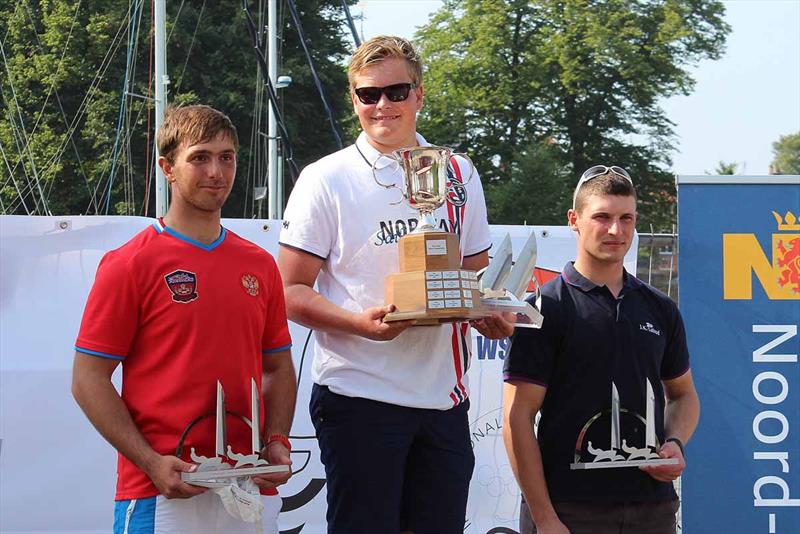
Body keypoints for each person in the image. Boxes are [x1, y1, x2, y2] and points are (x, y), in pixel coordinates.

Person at [277, 36, 513, 534]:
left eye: (397, 91)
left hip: (443, 400)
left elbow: (474, 272)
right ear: (354, 100)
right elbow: (289, 291)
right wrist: (358, 325)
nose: (382, 105)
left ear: (419, 94)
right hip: (359, 395)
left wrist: (486, 312)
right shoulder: (326, 179)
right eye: (368, 95)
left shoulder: (458, 173)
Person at [72, 105, 296, 534]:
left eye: (227, 157)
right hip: (161, 490)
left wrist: (278, 440)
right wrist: (151, 462)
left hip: (248, 485)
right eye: (200, 157)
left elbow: (278, 366)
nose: (216, 171)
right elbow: (88, 379)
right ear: (167, 168)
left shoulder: (259, 264)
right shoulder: (129, 264)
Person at [502, 165, 700, 534]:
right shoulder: (544, 307)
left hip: (652, 509)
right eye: (603, 217)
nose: (616, 230)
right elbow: (517, 419)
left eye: (627, 218)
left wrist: (675, 442)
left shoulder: (660, 308)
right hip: (569, 512)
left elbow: (684, 396)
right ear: (574, 220)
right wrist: (545, 519)